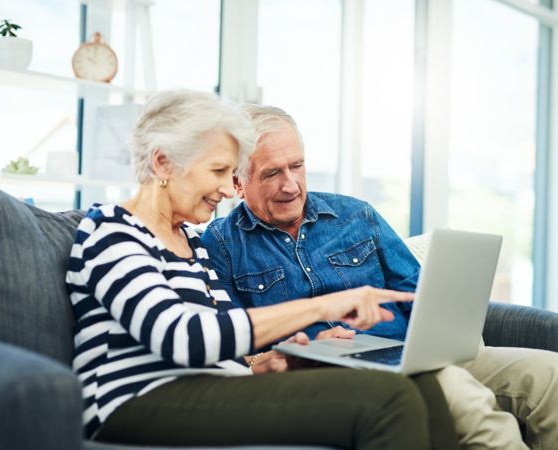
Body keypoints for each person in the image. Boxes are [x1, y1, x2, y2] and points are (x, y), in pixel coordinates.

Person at [66, 89, 461, 450]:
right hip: (134, 401)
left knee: (420, 384)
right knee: (388, 399)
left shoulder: (190, 244)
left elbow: (228, 343)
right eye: (218, 171)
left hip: (208, 389)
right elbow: (181, 337)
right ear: (163, 162)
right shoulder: (112, 230)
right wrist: (326, 306)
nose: (227, 189)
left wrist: (266, 364)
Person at [200, 104, 558, 450]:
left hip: (412, 354)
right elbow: (237, 345)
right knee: (460, 395)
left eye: (298, 166)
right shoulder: (221, 245)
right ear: (238, 182)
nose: (291, 184)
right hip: (335, 377)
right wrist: (303, 346)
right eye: (272, 173)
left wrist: (445, 320)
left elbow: (419, 292)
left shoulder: (357, 215)